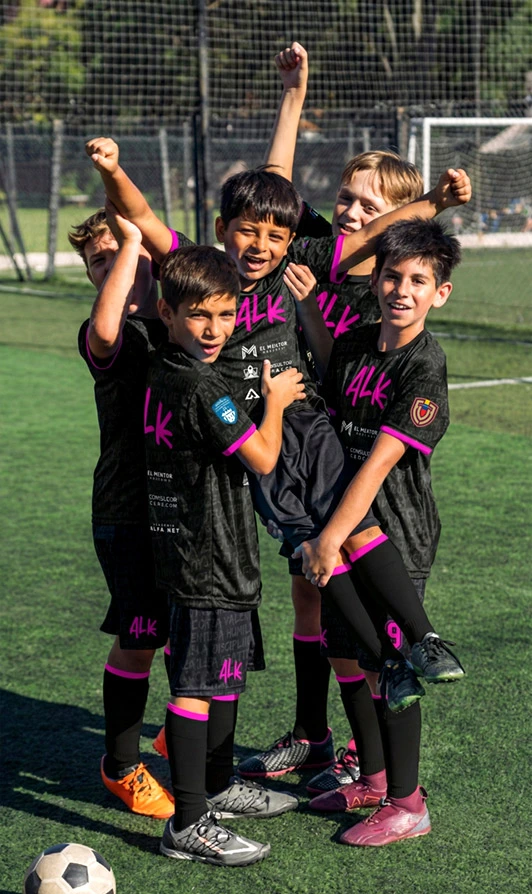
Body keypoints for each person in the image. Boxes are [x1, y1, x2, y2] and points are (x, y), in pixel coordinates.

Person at [84, 134, 469, 771]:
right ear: (221, 231)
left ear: (289, 239)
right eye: (247, 232)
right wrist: (114, 170)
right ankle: (389, 662)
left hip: (305, 423)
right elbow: (144, 216)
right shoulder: (206, 271)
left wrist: (434, 201)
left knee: (351, 526)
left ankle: (423, 638)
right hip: (256, 439)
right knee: (315, 552)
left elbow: (376, 235)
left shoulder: (300, 256)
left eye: (274, 235)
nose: (260, 246)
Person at [254, 43, 432, 793]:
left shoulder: (383, 298)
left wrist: (438, 203)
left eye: (369, 206)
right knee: (310, 594)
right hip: (304, 465)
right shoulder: (317, 249)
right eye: (347, 198)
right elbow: (272, 193)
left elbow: (347, 379)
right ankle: (313, 734)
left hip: (357, 481)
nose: (351, 212)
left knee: (359, 625)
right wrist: (294, 98)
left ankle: (372, 760)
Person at [293, 217, 463, 846]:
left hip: (395, 535)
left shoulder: (425, 366)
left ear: (440, 293)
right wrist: (308, 305)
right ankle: (373, 778)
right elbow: (331, 368)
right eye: (393, 276)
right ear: (377, 280)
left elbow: (379, 463)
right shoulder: (360, 342)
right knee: (357, 658)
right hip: (344, 526)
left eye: (419, 280)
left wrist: (328, 538)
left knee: (393, 669)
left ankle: (408, 803)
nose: (402, 290)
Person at [144, 243, 304, 865]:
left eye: (226, 314)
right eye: (199, 315)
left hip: (199, 548)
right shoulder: (203, 385)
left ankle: (216, 784)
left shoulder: (163, 366)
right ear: (167, 312)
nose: (215, 330)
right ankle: (187, 822)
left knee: (222, 675)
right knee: (196, 686)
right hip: (208, 556)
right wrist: (277, 403)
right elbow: (262, 459)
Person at [71, 203, 193, 819]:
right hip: (127, 509)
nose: (114, 261)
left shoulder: (184, 323)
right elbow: (107, 329)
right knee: (140, 636)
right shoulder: (105, 332)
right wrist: (127, 245)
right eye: (98, 259)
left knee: (192, 625)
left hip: (188, 506)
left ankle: (178, 731)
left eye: (127, 247)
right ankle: (120, 766)